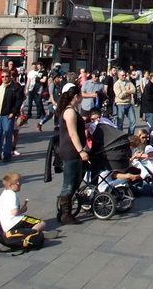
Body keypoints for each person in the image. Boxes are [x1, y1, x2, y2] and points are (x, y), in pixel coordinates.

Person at [56, 84, 87, 225]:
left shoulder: (72, 110)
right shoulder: (70, 112)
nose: (82, 97)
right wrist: (81, 151)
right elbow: (73, 133)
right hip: (71, 151)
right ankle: (65, 214)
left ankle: (64, 211)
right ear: (76, 96)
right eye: (81, 95)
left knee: (75, 179)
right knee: (69, 182)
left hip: (71, 151)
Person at [0, 172, 47, 242]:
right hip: (14, 221)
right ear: (10, 185)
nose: (20, 184)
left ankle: (22, 232)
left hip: (6, 226)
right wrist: (23, 210)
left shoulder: (4, 193)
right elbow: (15, 212)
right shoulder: (11, 195)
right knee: (42, 224)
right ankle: (31, 234)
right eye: (18, 183)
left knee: (30, 223)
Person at [0, 67, 23, 162]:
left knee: (8, 134)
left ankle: (7, 154)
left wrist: (13, 112)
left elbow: (18, 101)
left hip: (7, 115)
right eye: (3, 77)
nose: (5, 78)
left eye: (6, 76)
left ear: (10, 77)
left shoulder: (15, 87)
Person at [114, 71, 138, 135]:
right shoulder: (116, 84)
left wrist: (125, 92)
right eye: (122, 75)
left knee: (133, 121)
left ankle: (130, 136)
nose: (124, 76)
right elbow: (120, 96)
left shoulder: (128, 82)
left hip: (129, 104)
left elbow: (134, 90)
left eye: (125, 75)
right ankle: (120, 137)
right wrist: (129, 92)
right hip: (120, 104)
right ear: (119, 76)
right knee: (120, 123)